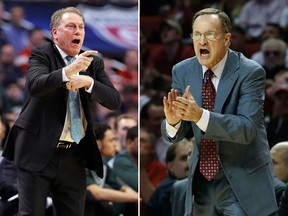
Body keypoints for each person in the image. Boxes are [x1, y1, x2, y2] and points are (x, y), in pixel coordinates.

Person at [2, 6, 121, 216]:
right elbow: (35, 86)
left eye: (81, 27)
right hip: (36, 150)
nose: (78, 32)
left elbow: (114, 101)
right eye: (71, 26)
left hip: (73, 154)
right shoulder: (41, 53)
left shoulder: (93, 62)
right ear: (55, 32)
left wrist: (89, 82)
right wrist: (68, 72)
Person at [161, 8, 277, 216]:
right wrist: (173, 122)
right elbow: (179, 130)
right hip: (202, 182)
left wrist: (199, 116)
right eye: (197, 35)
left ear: (226, 39)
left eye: (210, 34)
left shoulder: (250, 72)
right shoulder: (182, 70)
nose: (202, 41)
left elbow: (247, 129)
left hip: (242, 179)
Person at [85, 123, 138, 216]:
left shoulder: (104, 166)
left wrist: (135, 197)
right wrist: (133, 197)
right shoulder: (84, 164)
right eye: (111, 141)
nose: (115, 145)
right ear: (98, 144)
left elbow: (122, 187)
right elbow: (96, 193)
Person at [145, 138, 193, 216]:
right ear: (170, 166)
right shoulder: (168, 191)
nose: (190, 163)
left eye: (192, 156)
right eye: (184, 158)